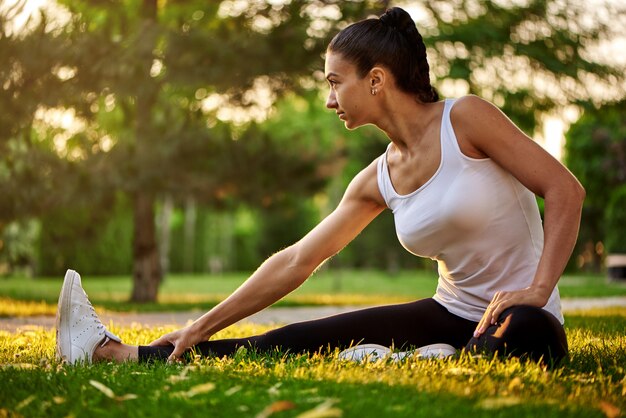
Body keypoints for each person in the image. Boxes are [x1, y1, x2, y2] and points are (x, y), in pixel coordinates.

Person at [55, 7, 584, 366]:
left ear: (375, 80)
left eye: (335, 82)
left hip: (522, 320)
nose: (329, 100)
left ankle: (429, 357)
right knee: (300, 339)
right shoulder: (379, 178)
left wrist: (537, 290)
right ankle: (114, 351)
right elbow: (297, 261)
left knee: (522, 337)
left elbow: (565, 190)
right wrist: (203, 325)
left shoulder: (466, 119)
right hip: (451, 312)